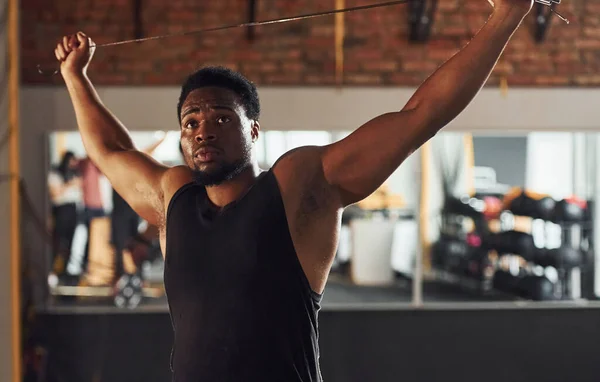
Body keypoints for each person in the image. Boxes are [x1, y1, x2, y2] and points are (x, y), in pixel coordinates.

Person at [54, 0, 533, 379]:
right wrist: (75, 77)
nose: (203, 131)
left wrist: (506, 16)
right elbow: (111, 150)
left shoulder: (298, 185)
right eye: (191, 122)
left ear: (254, 132)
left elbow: (418, 119)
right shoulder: (173, 196)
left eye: (222, 118)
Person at [47, 151, 82, 278]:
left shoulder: (75, 174)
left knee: (70, 242)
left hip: (73, 209)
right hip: (61, 209)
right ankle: (52, 269)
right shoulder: (55, 174)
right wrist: (69, 184)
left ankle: (64, 271)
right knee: (58, 241)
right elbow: (55, 193)